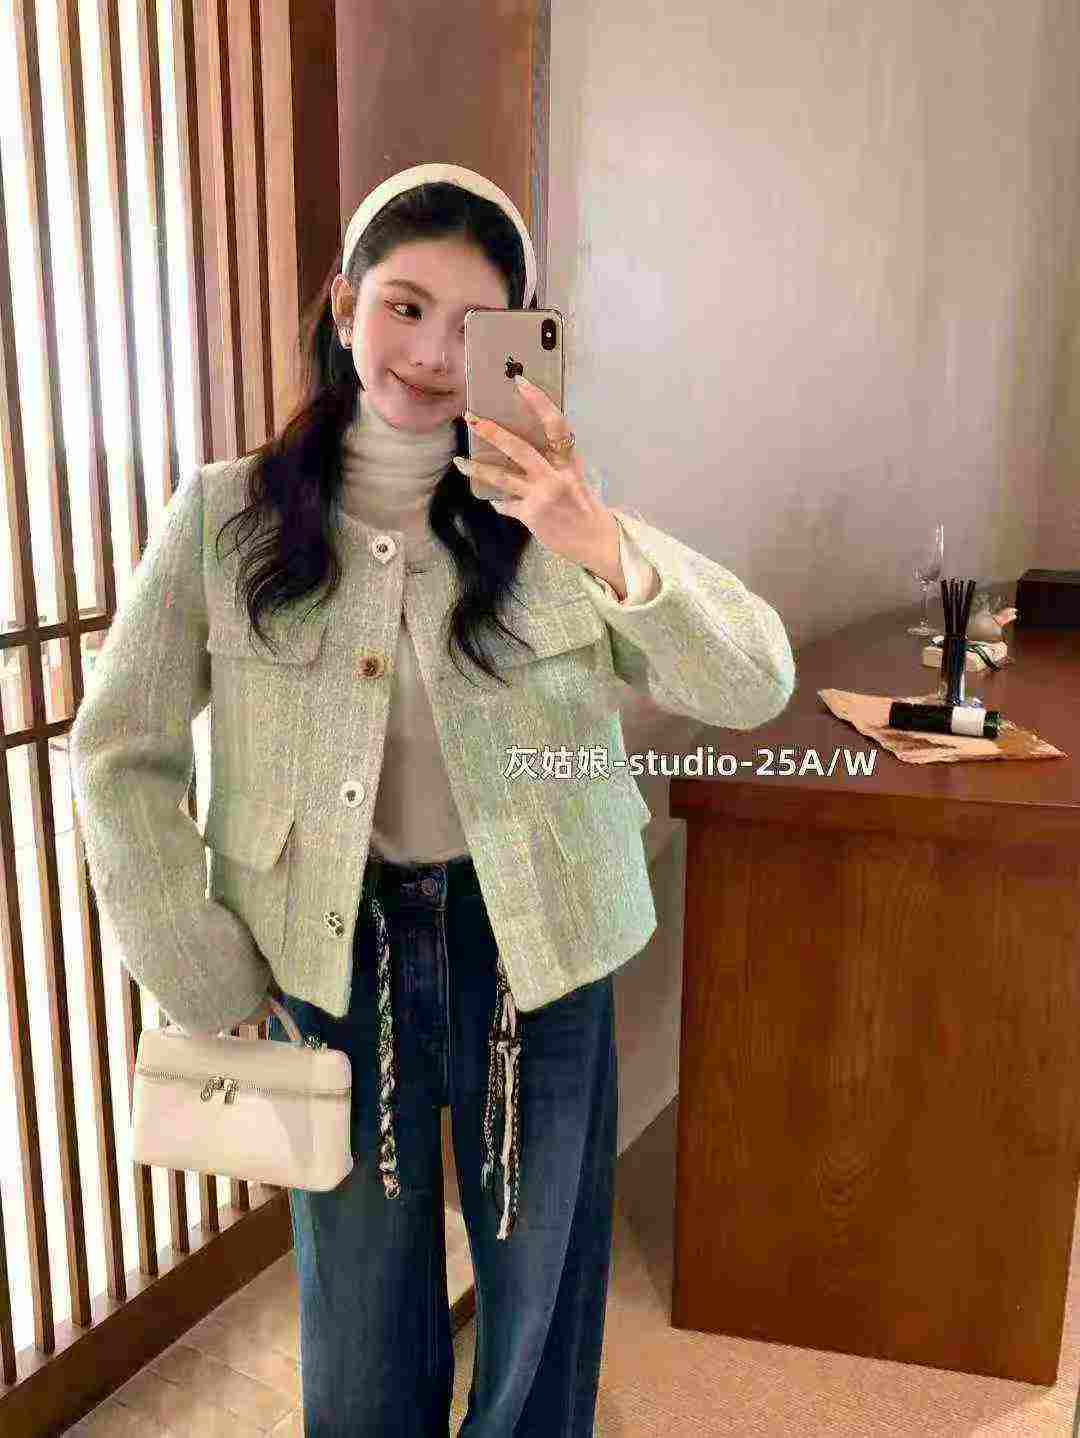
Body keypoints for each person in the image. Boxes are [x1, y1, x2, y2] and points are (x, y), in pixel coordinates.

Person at [68, 162, 796, 1436]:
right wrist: (199, 961)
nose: (432, 354)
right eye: (405, 307)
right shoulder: (224, 517)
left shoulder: (555, 518)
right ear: (344, 303)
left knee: (540, 1293)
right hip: (328, 948)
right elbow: (120, 748)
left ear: (520, 340)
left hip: (539, 946)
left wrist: (597, 540)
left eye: (475, 327)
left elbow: (755, 681)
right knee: (359, 1305)